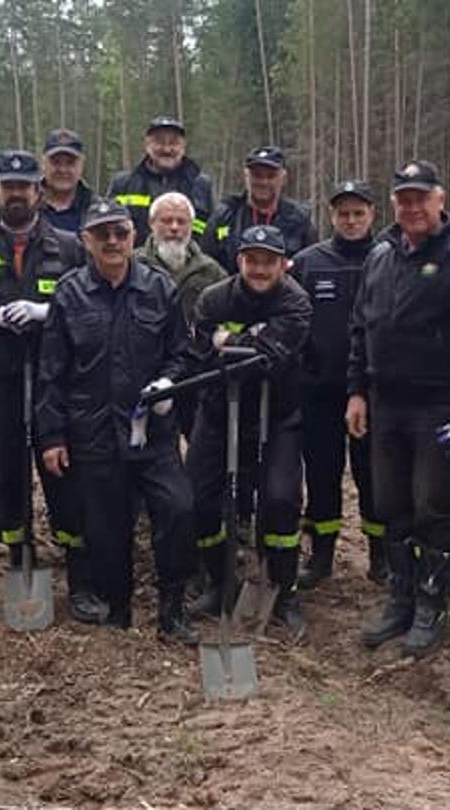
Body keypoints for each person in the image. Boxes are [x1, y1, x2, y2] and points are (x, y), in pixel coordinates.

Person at [347, 160, 450, 657]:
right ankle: (402, 596)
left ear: (439, 200)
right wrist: (356, 391)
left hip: (441, 405)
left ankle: (434, 602)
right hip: (386, 403)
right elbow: (360, 328)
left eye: (421, 197)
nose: (411, 206)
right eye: (403, 198)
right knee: (390, 504)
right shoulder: (381, 256)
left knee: (434, 504)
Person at [35, 199, 201, 643]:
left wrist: (168, 383)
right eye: (102, 234)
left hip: (154, 436)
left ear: (133, 237)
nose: (112, 241)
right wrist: (51, 435)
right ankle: (119, 612)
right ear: (86, 241)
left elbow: (182, 353)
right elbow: (51, 372)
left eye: (120, 233)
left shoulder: (159, 288)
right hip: (93, 434)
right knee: (106, 531)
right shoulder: (69, 294)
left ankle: (171, 610)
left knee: (179, 509)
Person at [0, 150, 95, 619]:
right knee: (8, 475)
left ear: (38, 191)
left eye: (24, 186)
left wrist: (48, 314)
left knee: (62, 475)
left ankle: (81, 574)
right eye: (8, 186)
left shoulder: (67, 246)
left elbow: (88, 309)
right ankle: (19, 558)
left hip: (55, 381)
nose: (16, 194)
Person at [186, 225, 315, 640]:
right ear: (239, 261)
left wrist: (233, 340)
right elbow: (203, 351)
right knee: (202, 498)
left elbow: (272, 355)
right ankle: (217, 579)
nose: (260, 269)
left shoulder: (295, 300)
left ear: (283, 264)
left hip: (278, 415)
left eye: (269, 261)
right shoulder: (214, 297)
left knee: (279, 499)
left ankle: (283, 586)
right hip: (219, 412)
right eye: (252, 260)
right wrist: (245, 342)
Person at [291, 181, 386, 588]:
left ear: (372, 215)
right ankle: (322, 555)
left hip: (374, 392)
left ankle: (381, 556)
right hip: (320, 391)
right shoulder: (309, 262)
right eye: (343, 213)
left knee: (373, 476)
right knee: (323, 475)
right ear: (332, 216)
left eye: (358, 213)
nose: (350, 220)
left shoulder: (389, 258)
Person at [201, 146, 317, 267]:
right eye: (257, 175)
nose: (263, 182)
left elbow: (311, 268)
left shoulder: (300, 220)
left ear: (283, 178)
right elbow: (207, 265)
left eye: (271, 176)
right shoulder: (224, 216)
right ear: (246, 176)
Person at [109, 116, 215, 246]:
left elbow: (211, 235)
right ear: (147, 145)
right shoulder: (123, 184)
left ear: (183, 146)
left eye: (173, 143)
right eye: (159, 142)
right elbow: (111, 229)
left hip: (188, 263)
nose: (166, 149)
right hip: (137, 262)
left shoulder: (201, 185)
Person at [136, 192, 228, 327]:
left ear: (191, 225)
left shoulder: (211, 271)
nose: (174, 228)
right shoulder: (133, 266)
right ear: (152, 223)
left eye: (182, 221)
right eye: (166, 221)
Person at [39, 129, 95, 232]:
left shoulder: (95, 208)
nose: (63, 169)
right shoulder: (27, 207)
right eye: (56, 162)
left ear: (81, 165)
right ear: (43, 163)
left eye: (70, 163)